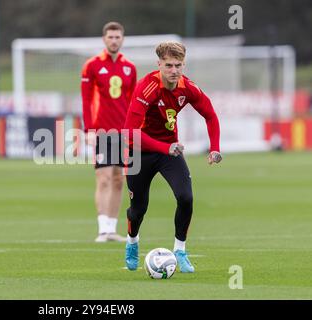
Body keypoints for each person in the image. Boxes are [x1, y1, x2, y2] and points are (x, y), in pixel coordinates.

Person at [123, 41, 222, 272]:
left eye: (179, 65)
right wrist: (163, 147)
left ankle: (180, 250)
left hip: (169, 151)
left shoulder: (188, 88)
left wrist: (215, 147)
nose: (174, 71)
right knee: (138, 209)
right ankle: (132, 242)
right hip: (140, 152)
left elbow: (210, 115)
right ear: (159, 64)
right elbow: (129, 133)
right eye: (169, 65)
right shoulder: (146, 88)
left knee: (186, 198)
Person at [81, 22, 137, 242]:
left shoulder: (130, 68)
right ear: (104, 39)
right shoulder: (92, 66)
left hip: (123, 132)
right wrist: (89, 130)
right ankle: (102, 229)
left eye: (118, 37)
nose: (114, 40)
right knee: (103, 178)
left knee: (118, 180)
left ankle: (112, 229)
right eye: (111, 37)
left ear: (122, 39)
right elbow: (86, 100)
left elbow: (133, 102)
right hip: (101, 130)